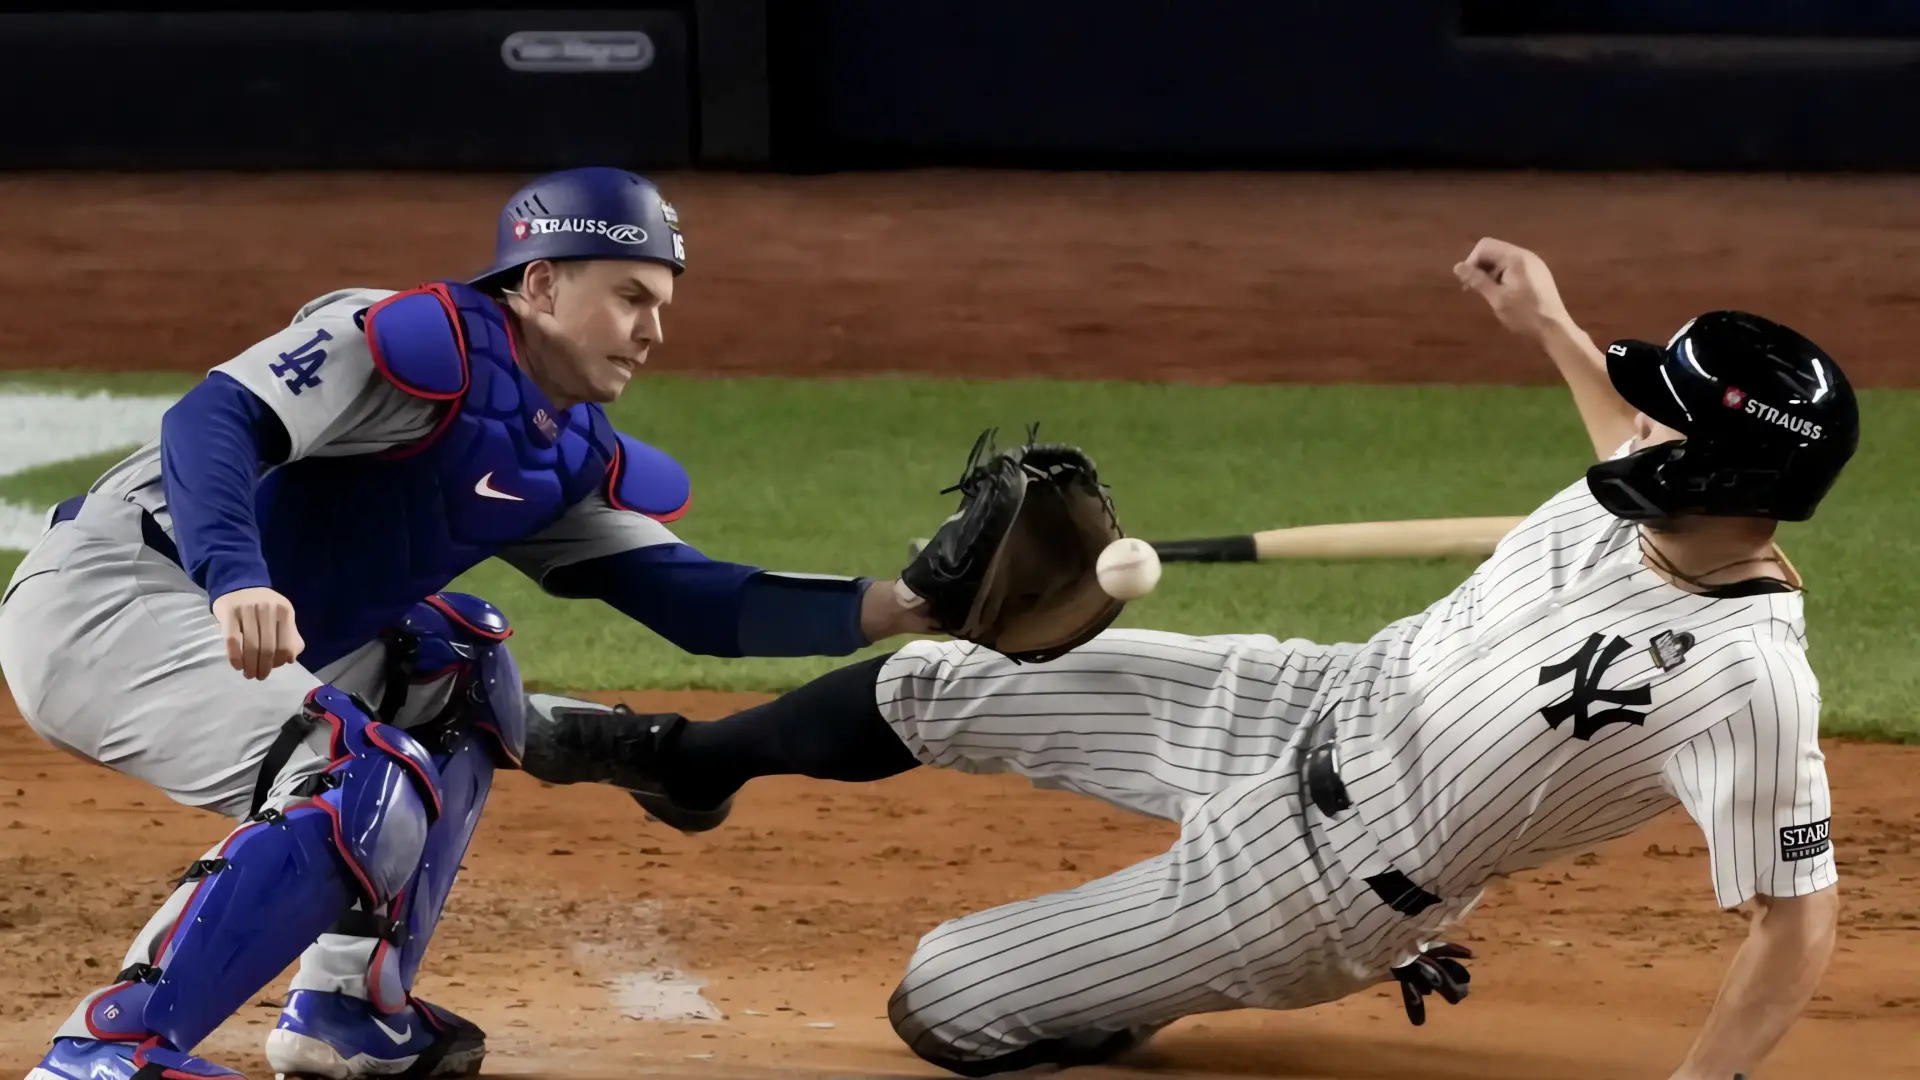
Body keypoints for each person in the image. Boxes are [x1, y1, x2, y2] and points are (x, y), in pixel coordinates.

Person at [603, 238, 1854, 1080]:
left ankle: (1140, 987)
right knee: (937, 677)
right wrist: (1551, 322)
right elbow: (1616, 422)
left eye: (1663, 414)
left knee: (945, 999)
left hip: (1329, 881)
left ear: (1712, 472)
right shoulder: (1648, 499)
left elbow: (1794, 927)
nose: (1632, 416)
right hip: (1314, 694)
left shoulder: (1743, 681)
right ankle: (694, 764)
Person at [0, 166, 932, 1080]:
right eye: (630, 297)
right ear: (542, 283)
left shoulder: (558, 447)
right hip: (111, 599)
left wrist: (899, 603)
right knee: (357, 776)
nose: (652, 332)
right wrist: (235, 576)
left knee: (460, 664)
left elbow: (698, 599)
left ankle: (348, 1006)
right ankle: (111, 1049)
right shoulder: (398, 340)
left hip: (224, 626)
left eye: (662, 306)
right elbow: (216, 420)